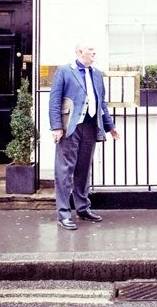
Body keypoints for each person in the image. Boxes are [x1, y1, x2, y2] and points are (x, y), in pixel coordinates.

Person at [48, 42, 119, 230]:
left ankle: (82, 208)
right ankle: (64, 214)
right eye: (90, 50)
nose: (94, 52)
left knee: (84, 169)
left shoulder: (97, 74)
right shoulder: (64, 71)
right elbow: (54, 101)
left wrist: (110, 126)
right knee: (64, 171)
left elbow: (101, 103)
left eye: (94, 50)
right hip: (70, 128)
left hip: (90, 126)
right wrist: (57, 127)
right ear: (80, 51)